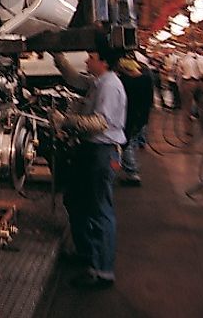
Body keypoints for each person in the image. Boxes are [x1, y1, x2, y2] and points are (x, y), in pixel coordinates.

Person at [49, 48, 127, 289]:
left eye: (91, 57)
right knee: (75, 201)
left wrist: (65, 120)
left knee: (99, 209)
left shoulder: (110, 86)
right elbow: (74, 80)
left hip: (102, 153)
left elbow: (99, 123)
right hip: (89, 151)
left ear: (103, 61)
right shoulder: (97, 81)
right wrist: (57, 56)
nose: (86, 60)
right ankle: (87, 253)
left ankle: (102, 271)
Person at [116, 57, 153, 185]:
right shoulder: (147, 78)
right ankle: (127, 168)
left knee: (127, 143)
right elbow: (150, 101)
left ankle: (132, 173)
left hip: (130, 116)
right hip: (142, 116)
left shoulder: (125, 81)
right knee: (133, 141)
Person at [177, 45, 203, 138]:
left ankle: (189, 130)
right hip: (200, 82)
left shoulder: (183, 59)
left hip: (188, 82)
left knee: (187, 108)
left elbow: (179, 72)